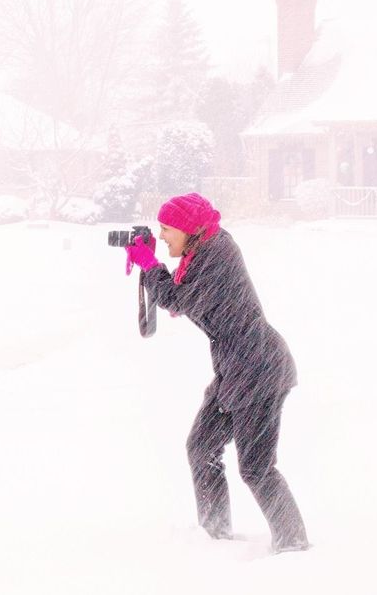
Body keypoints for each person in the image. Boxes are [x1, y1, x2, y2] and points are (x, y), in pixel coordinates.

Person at [124, 192, 310, 554]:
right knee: (201, 447)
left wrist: (149, 264)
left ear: (188, 229)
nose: (161, 236)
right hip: (235, 370)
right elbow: (180, 294)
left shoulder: (217, 255)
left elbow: (177, 300)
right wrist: (151, 265)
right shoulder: (203, 249)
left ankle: (293, 546)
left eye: (166, 229)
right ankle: (215, 537)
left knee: (257, 468)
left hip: (258, 370)